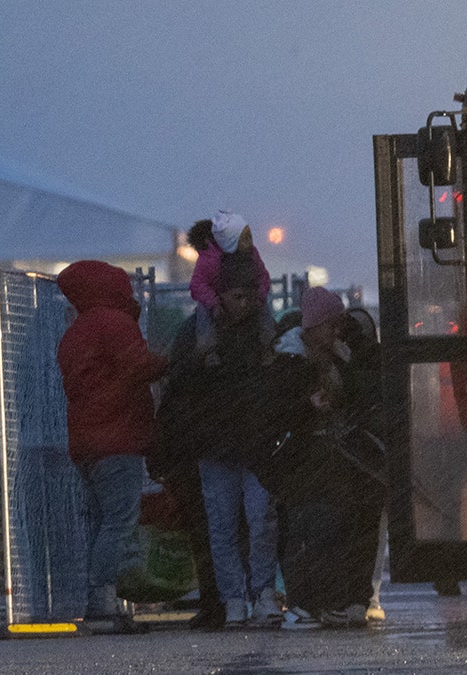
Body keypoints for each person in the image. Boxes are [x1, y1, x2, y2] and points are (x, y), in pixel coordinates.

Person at [162, 251, 282, 629]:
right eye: (237, 296)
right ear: (222, 295)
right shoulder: (263, 335)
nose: (244, 303)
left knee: (242, 523)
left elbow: (177, 383)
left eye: (248, 296)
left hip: (224, 439)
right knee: (240, 523)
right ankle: (251, 594)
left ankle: (242, 598)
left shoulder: (199, 335)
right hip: (237, 440)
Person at [256, 287, 386, 629]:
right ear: (314, 327)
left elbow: (363, 400)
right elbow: (273, 416)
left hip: (336, 460)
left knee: (342, 527)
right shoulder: (290, 365)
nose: (337, 332)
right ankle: (311, 602)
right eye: (332, 325)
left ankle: (339, 600)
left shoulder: (340, 360)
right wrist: (306, 408)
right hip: (306, 463)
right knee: (314, 529)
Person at [56, 260, 168, 633]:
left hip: (87, 441)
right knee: (120, 520)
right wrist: (170, 359)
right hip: (118, 437)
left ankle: (102, 601)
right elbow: (138, 365)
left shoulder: (76, 331)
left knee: (102, 521)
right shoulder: (113, 323)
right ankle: (104, 602)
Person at [187, 210, 272, 350]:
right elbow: (197, 284)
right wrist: (213, 302)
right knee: (204, 315)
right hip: (215, 298)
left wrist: (260, 295)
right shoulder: (209, 259)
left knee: (264, 310)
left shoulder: (250, 254)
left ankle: (268, 342)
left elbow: (263, 276)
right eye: (244, 238)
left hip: (245, 295)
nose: (249, 243)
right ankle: (206, 347)